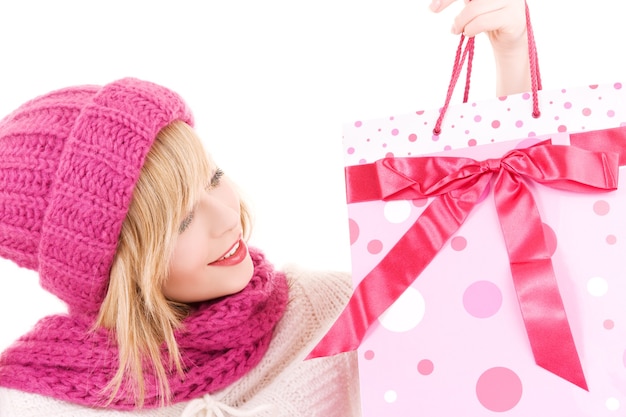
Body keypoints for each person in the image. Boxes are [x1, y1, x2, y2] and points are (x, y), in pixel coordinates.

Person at [0, 1, 532, 415]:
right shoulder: (31, 404)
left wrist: (513, 60)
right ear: (110, 268)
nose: (227, 218)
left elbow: (491, 308)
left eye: (213, 177)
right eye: (182, 220)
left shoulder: (328, 316)